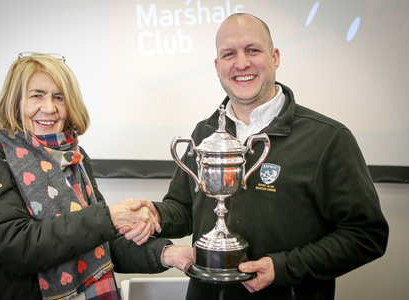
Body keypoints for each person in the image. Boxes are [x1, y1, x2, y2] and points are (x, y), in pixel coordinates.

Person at [128, 13, 389, 299]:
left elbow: (366, 235)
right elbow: (186, 208)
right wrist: (158, 215)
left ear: (275, 57)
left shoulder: (328, 139)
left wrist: (284, 268)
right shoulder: (204, 132)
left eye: (253, 50)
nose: (241, 63)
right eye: (229, 54)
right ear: (217, 66)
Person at [0, 52, 190, 300]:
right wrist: (109, 217)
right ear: (14, 102)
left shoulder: (75, 156)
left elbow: (100, 241)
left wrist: (168, 254)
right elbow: (20, 247)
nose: (49, 108)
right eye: (36, 96)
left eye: (59, 97)